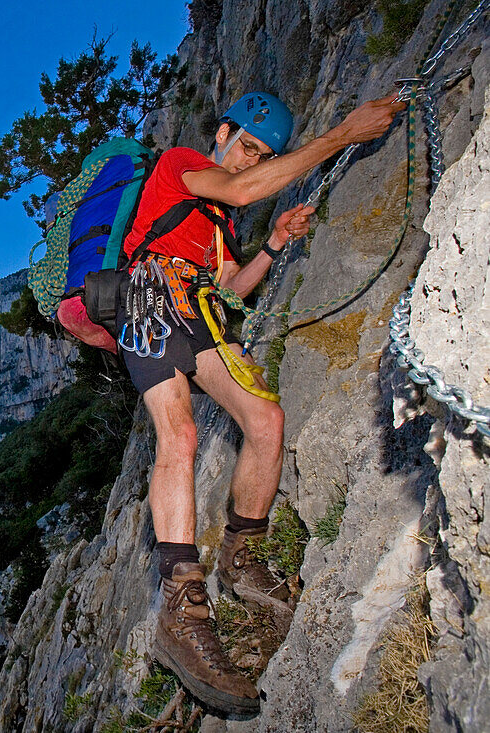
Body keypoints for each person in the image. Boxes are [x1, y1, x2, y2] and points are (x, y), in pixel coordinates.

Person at [120, 91, 403, 714]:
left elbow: (231, 289)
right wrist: (343, 135)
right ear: (223, 133)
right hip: (147, 301)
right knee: (182, 434)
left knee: (265, 418)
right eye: (248, 147)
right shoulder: (179, 165)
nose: (252, 163)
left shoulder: (218, 229)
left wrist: (272, 243)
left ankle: (242, 556)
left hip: (195, 313)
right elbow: (243, 190)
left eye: (263, 156)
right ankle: (182, 608)